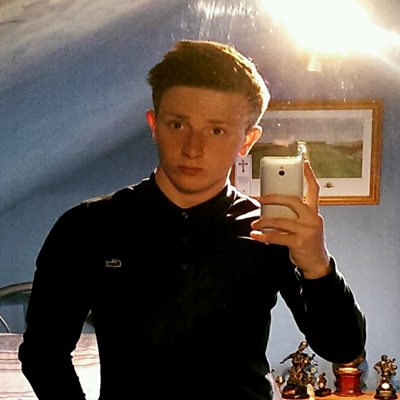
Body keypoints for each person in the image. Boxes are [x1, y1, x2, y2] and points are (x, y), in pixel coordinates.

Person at [18, 39, 366, 400]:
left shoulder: (271, 231)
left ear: (247, 140)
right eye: (178, 124)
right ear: (154, 124)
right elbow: (43, 353)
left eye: (216, 130)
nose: (193, 148)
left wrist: (317, 265)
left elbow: (343, 348)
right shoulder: (87, 226)